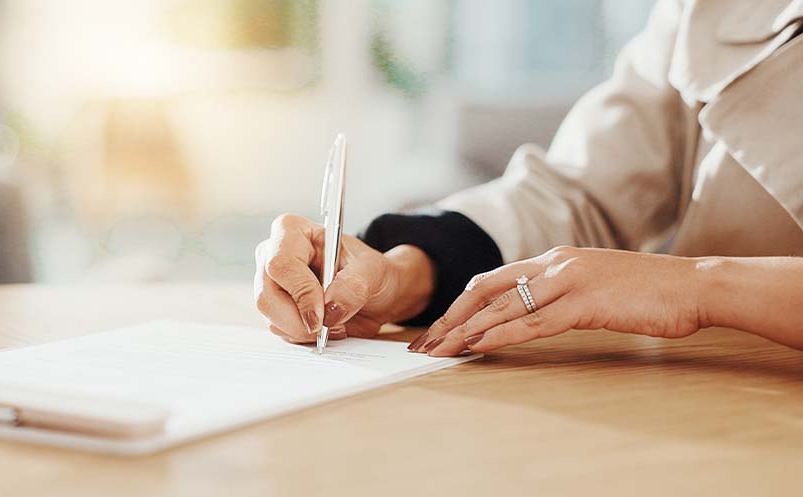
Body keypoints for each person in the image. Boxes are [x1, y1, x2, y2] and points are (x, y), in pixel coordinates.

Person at [254, 0, 803, 355]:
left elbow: (671, 282)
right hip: (691, 389)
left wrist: (698, 287)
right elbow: (584, 194)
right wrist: (402, 274)